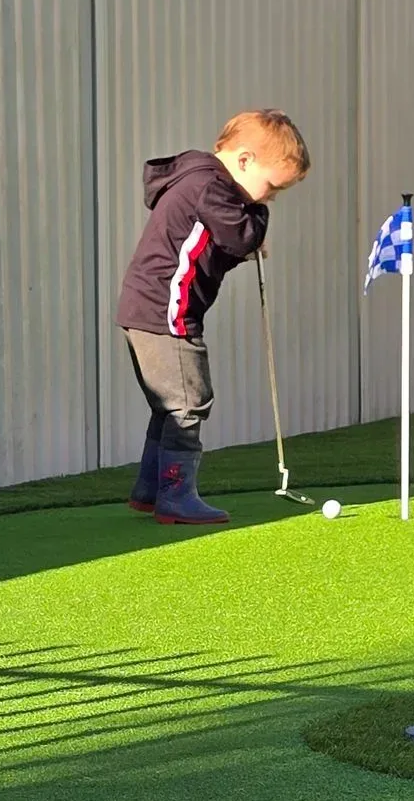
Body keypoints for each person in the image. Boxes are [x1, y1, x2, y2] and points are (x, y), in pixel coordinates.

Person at [116, 109, 310, 524]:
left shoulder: (199, 183)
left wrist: (245, 239)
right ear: (243, 160)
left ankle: (151, 490)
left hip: (147, 307)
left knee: (168, 404)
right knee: (189, 402)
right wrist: (256, 224)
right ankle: (176, 496)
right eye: (271, 187)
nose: (267, 199)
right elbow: (240, 235)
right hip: (165, 311)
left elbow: (212, 247)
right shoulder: (211, 186)